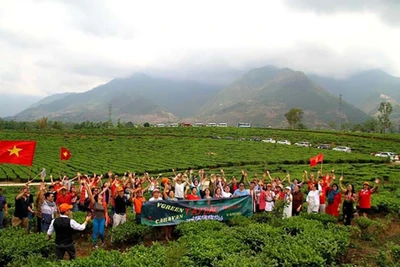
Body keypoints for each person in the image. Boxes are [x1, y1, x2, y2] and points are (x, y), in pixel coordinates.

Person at [87, 182, 109, 249]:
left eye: (101, 195)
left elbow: (106, 212)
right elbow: (90, 195)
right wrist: (87, 187)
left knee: (101, 232)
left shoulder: (104, 203)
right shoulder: (95, 203)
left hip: (102, 219)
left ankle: (102, 241)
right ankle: (95, 245)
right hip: (96, 219)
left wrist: (106, 220)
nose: (101, 196)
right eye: (100, 195)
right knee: (95, 233)